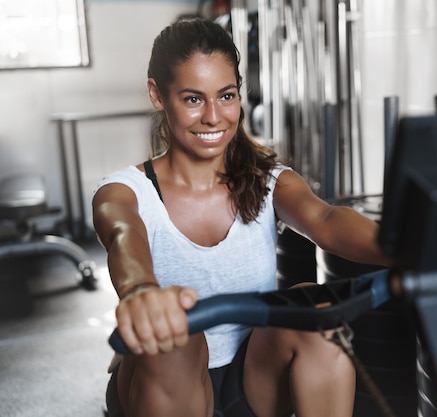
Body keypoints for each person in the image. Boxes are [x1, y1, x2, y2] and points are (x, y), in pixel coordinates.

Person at [93, 17, 390, 417]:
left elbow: (326, 219)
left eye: (227, 96)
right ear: (158, 95)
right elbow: (123, 234)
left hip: (252, 382)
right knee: (179, 335)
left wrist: (401, 249)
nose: (214, 116)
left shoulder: (269, 181)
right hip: (162, 380)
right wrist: (141, 291)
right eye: (193, 99)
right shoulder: (126, 191)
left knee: (314, 313)